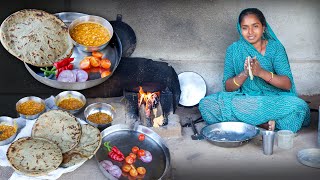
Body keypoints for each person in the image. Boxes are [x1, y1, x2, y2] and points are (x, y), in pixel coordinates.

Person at [199, 8, 310, 133]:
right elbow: (228, 87)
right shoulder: (233, 50)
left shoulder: (275, 48)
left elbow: (287, 84)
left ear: (264, 28)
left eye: (255, 26)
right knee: (206, 104)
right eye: (245, 27)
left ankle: (246, 122)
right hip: (245, 99)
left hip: (272, 100)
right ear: (240, 29)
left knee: (299, 107)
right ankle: (263, 123)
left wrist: (261, 72)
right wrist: (244, 73)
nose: (250, 32)